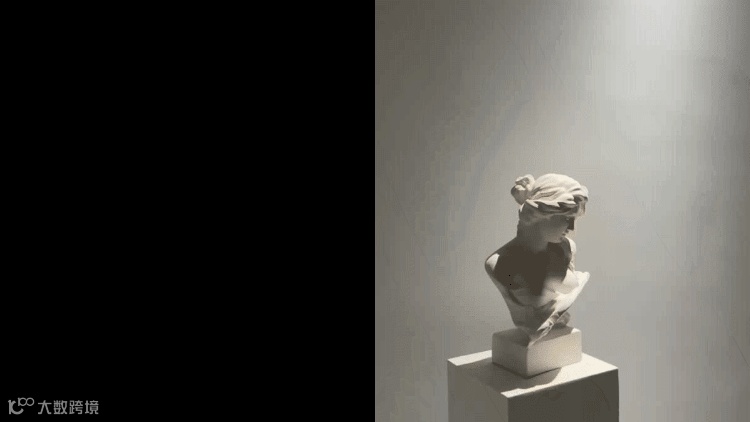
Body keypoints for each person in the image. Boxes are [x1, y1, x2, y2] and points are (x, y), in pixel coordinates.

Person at [485, 173, 590, 346]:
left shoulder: (566, 248)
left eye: (574, 219)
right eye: (566, 218)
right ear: (539, 213)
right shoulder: (497, 264)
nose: (571, 228)